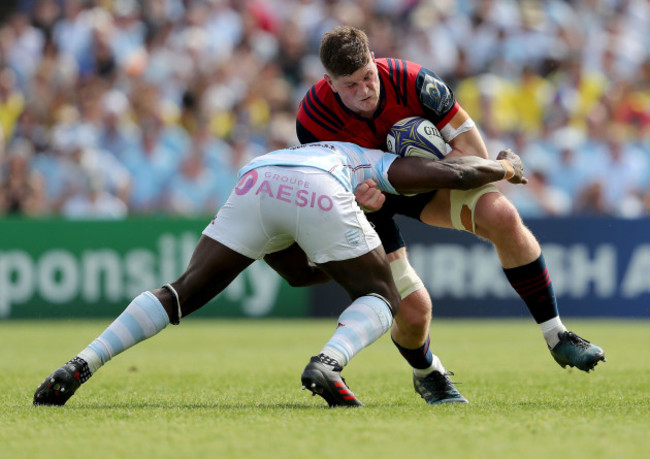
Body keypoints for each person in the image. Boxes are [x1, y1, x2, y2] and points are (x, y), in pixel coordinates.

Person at [33, 141, 526, 408]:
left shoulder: (299, 149)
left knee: (180, 293)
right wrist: (502, 168)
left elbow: (298, 275)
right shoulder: (371, 159)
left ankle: (81, 362)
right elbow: (454, 174)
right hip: (320, 188)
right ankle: (328, 363)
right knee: (385, 296)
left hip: (256, 177)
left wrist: (341, 261)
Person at [295, 26, 605, 405]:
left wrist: (423, 173)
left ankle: (557, 334)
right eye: (350, 85)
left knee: (502, 215)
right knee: (413, 312)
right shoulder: (311, 118)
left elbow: (473, 149)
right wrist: (360, 198)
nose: (364, 91)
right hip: (368, 207)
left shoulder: (416, 82)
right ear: (328, 82)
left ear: (375, 62)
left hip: (431, 177)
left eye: (368, 77)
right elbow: (329, 190)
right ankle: (428, 374)